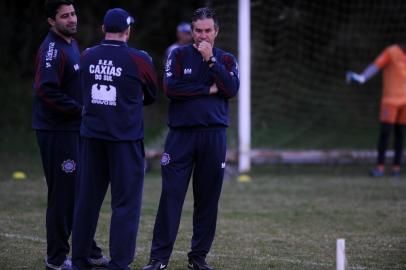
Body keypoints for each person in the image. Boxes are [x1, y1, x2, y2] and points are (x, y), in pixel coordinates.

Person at [142, 7, 239, 270]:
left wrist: (211, 62)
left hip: (213, 136)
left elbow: (230, 89)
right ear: (191, 32)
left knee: (207, 200)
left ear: (216, 32)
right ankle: (159, 259)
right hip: (180, 136)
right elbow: (171, 89)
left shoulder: (226, 60)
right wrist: (208, 88)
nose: (203, 36)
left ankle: (198, 258)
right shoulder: (177, 55)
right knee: (171, 197)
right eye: (198, 31)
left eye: (208, 30)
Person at [71, 7, 158, 270]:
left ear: (102, 30)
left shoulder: (86, 55)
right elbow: (152, 95)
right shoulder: (140, 59)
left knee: (87, 200)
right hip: (125, 141)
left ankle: (79, 260)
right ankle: (119, 263)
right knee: (125, 204)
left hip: (92, 139)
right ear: (128, 31)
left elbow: (80, 91)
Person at [33, 1, 108, 269]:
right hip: (57, 131)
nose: (72, 19)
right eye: (65, 16)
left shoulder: (71, 44)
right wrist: (81, 110)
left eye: (74, 13)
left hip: (73, 130)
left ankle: (87, 248)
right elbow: (46, 89)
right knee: (63, 195)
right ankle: (55, 259)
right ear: (51, 21)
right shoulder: (52, 48)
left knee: (79, 191)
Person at [347, 44, 406, 177]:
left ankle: (396, 168)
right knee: (385, 134)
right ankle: (379, 167)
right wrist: (363, 77)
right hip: (390, 101)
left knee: (401, 135)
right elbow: (376, 66)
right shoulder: (392, 52)